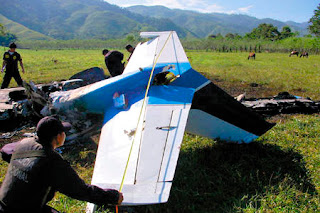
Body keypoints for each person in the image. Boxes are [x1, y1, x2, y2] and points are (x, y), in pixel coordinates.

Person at [0, 116, 123, 213]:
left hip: (3, 204)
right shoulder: (51, 161)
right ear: (58, 136)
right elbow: (80, 190)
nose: (65, 134)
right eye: (64, 132)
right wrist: (112, 197)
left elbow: (5, 151)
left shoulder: (24, 143)